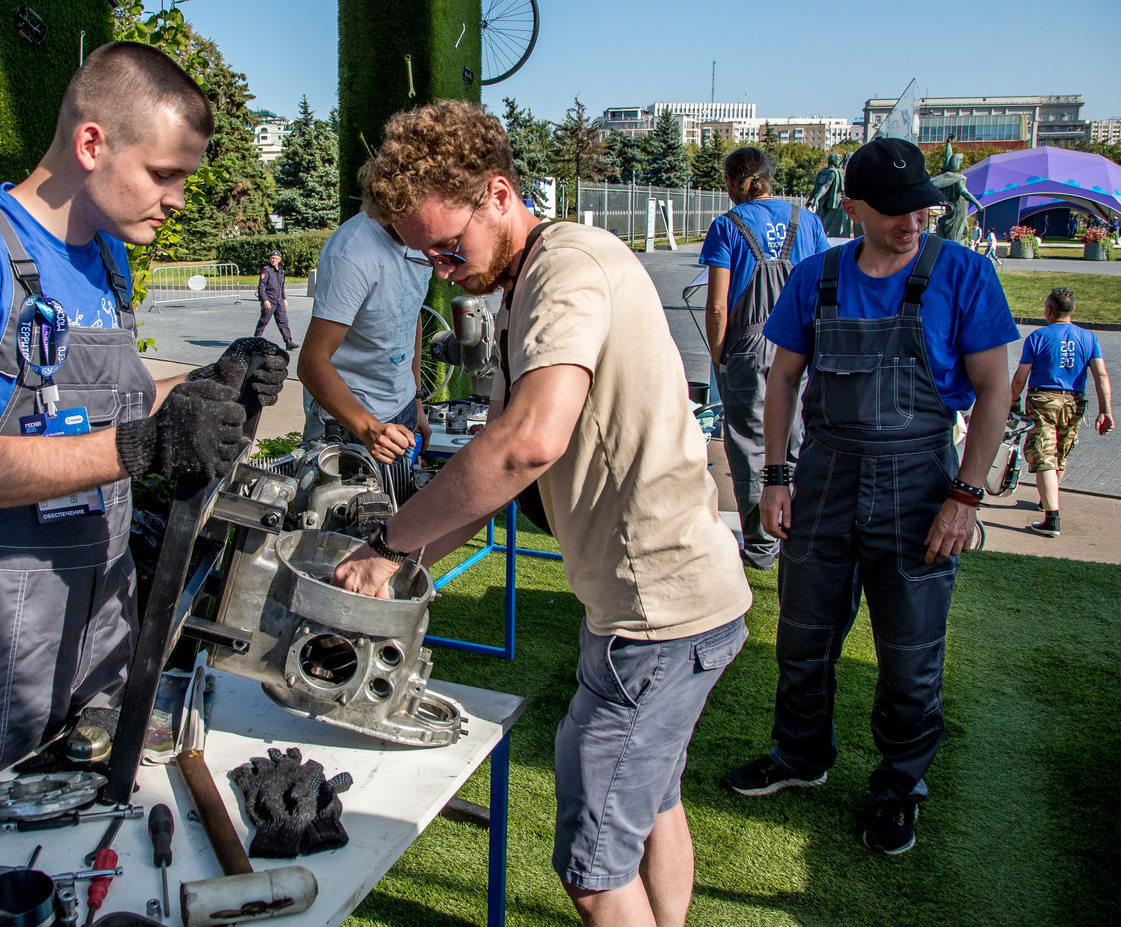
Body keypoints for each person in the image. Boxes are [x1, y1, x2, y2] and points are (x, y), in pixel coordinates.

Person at [331, 101, 751, 927]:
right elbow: (497, 467)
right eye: (427, 256)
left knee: (592, 866)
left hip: (656, 614)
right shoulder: (531, 282)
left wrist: (389, 542)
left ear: (498, 192)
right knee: (656, 800)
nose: (444, 269)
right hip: (647, 605)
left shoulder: (566, 266)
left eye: (450, 247)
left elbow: (528, 442)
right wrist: (407, 559)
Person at [0, 41, 288, 785]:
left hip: (103, 595)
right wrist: (142, 448)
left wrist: (211, 384)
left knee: (98, 826)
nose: (178, 199)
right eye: (165, 174)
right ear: (92, 142)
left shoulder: (105, 258)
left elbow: (111, 403)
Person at [723, 136, 1018, 857]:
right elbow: (783, 377)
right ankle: (800, 756)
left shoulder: (966, 274)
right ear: (851, 207)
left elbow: (994, 390)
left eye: (920, 206)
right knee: (803, 638)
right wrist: (775, 479)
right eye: (892, 211)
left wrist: (966, 498)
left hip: (921, 484)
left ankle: (898, 788)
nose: (911, 221)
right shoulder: (817, 277)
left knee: (911, 655)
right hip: (824, 479)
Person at [699, 146, 828, 570]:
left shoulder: (728, 226)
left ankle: (759, 547)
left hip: (749, 350)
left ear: (733, 183)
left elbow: (718, 306)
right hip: (802, 346)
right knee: (800, 440)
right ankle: (801, 534)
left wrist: (718, 355)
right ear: (769, 176)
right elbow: (825, 286)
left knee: (750, 447)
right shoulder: (807, 221)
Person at [297, 203, 433, 464]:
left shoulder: (420, 238)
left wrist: (416, 403)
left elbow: (409, 312)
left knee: (398, 504)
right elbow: (312, 362)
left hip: (402, 410)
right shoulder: (352, 253)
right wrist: (370, 428)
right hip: (346, 422)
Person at [1008, 287, 1113, 537]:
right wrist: (1105, 410)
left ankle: (1051, 519)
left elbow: (1020, 377)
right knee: (1060, 453)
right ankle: (1048, 499)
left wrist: (1013, 401)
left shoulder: (1038, 337)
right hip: (1074, 402)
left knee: (1043, 455)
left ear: (1049, 310)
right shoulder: (1088, 338)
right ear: (1072, 310)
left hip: (1042, 399)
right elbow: (1101, 375)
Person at [254, 248, 297, 349]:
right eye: (272, 258)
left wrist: (284, 298)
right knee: (264, 321)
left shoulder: (281, 270)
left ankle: (288, 341)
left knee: (283, 321)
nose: (274, 260)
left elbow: (281, 286)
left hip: (279, 300)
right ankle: (256, 339)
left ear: (280, 260)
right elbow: (261, 287)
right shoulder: (266, 270)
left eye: (276, 258)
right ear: (270, 259)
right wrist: (265, 300)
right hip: (270, 300)